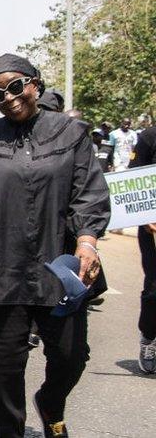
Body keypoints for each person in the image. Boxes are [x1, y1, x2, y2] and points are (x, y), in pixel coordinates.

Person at [0, 54, 109, 438]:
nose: (8, 97)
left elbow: (88, 193)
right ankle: (9, 430)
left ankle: (50, 403)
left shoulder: (70, 133)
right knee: (5, 363)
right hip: (6, 270)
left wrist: (88, 243)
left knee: (70, 356)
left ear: (34, 84)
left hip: (60, 269)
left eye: (15, 86)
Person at [129, 123, 156, 374]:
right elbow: (133, 179)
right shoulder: (149, 138)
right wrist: (146, 216)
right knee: (154, 289)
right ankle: (149, 338)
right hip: (153, 229)